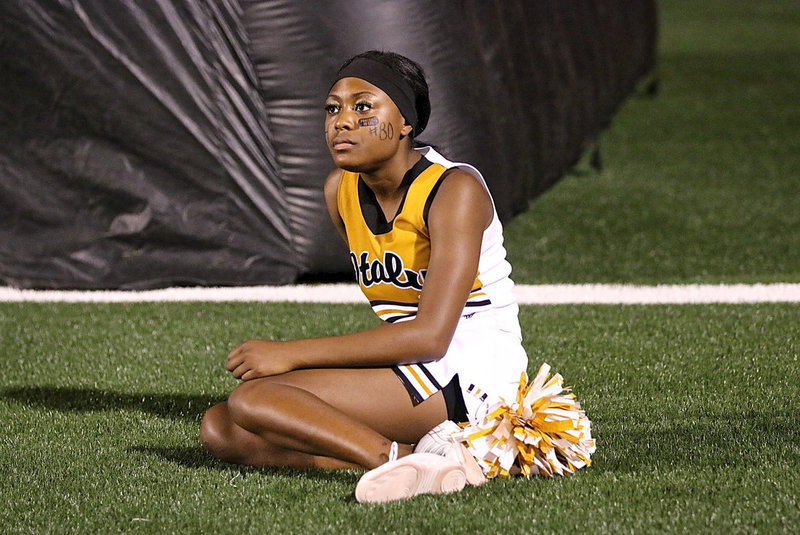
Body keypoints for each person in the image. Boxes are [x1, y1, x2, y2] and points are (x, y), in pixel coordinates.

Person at [199, 50, 528, 503]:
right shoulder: (341, 189)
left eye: (363, 107)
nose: (342, 121)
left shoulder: (455, 189)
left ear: (407, 122)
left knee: (254, 400)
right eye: (333, 108)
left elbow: (431, 336)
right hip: (413, 363)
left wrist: (291, 354)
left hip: (472, 372)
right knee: (221, 430)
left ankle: (389, 459)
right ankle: (425, 460)